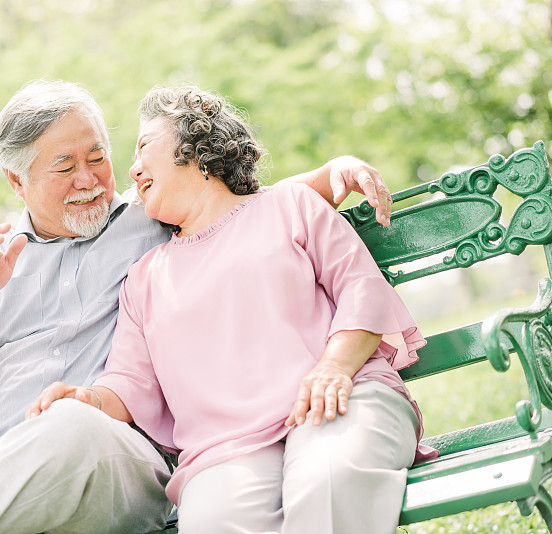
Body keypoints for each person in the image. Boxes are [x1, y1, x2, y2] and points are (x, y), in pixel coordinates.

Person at [0, 79, 395, 534]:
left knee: (70, 423)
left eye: (97, 157)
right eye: (64, 167)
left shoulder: (149, 221)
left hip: (111, 467)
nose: (89, 179)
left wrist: (331, 174)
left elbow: (238, 211)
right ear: (17, 182)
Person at [27, 84, 437, 534]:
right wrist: (87, 399)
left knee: (328, 482)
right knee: (214, 523)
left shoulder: (290, 206)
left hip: (340, 398)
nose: (132, 167)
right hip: (227, 448)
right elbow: (129, 380)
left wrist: (334, 367)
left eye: (144, 146)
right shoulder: (144, 277)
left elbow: (360, 288)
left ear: (194, 146)